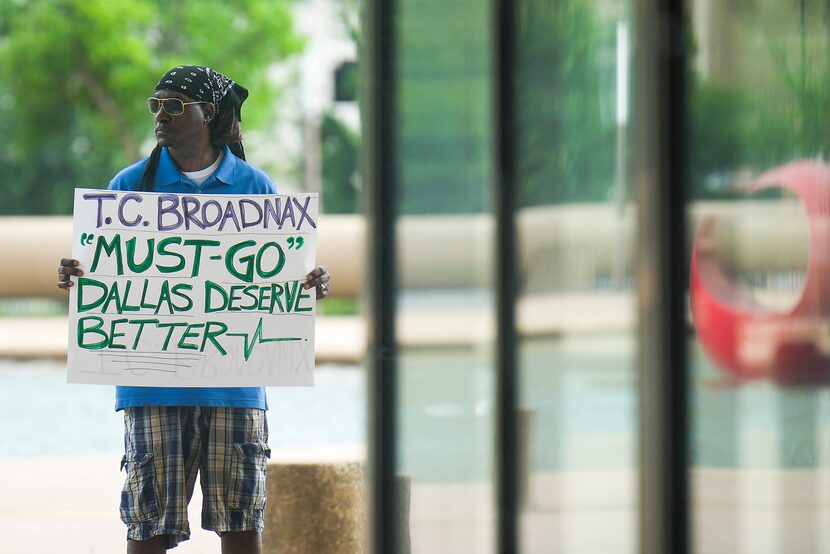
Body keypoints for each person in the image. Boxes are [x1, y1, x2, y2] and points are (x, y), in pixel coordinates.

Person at [57, 65, 330, 553]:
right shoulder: (127, 189)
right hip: (151, 386)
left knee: (242, 527)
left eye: (175, 105)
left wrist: (307, 282)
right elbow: (103, 271)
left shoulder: (255, 187)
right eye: (155, 104)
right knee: (149, 530)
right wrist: (78, 276)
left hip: (236, 386)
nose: (160, 114)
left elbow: (279, 273)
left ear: (210, 115)